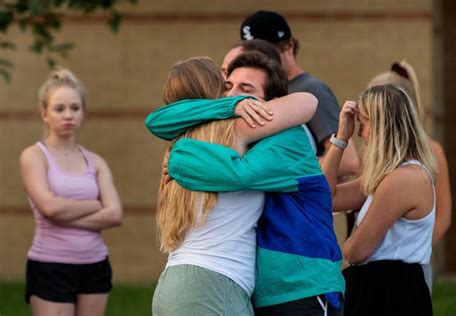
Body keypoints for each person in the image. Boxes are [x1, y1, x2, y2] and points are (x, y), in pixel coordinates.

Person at [147, 52, 344, 315]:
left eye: (245, 90)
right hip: (212, 284)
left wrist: (180, 160)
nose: (234, 96)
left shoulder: (185, 145)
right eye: (228, 87)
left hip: (191, 284)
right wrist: (230, 108)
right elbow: (155, 121)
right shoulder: (225, 134)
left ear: (272, 104)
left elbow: (308, 101)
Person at [323, 84, 437, 316]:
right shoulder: (387, 177)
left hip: (391, 292)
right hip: (380, 289)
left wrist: (352, 236)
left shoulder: (404, 179)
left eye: (363, 124)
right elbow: (325, 198)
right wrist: (339, 140)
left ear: (381, 126)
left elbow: (355, 251)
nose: (359, 133)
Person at [20, 68, 122, 316]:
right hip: (50, 266)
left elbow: (115, 215)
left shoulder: (95, 162)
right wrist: (94, 205)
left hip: (95, 265)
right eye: (59, 108)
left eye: (75, 108)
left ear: (83, 113)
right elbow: (49, 208)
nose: (68, 115)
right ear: (44, 114)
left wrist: (64, 214)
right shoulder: (34, 156)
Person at [239, 10, 359, 175]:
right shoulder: (263, 88)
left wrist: (282, 167)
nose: (257, 58)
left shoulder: (311, 89)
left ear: (289, 46)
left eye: (265, 50)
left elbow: (348, 161)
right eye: (250, 53)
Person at [368, 60, 452, 291]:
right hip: (370, 265)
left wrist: (414, 251)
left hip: (409, 266)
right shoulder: (371, 151)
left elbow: (443, 216)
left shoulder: (431, 151)